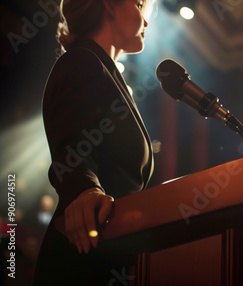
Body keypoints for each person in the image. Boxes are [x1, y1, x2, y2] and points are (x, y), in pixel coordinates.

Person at [33, 0, 154, 284]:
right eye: (138, 4)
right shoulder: (82, 61)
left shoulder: (102, 69)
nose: (145, 21)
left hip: (105, 251)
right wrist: (85, 189)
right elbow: (74, 145)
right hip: (82, 255)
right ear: (110, 5)